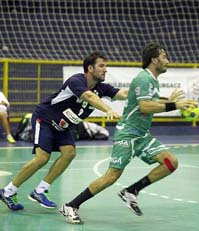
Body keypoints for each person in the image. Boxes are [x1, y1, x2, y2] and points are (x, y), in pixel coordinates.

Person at [59, 42, 197, 224]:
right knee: (111, 176)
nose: (168, 61)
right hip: (128, 134)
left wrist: (169, 100)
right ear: (154, 59)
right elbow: (145, 106)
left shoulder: (152, 80)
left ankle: (131, 191)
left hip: (142, 135)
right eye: (164, 57)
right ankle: (71, 205)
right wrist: (175, 105)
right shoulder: (144, 79)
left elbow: (150, 101)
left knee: (170, 162)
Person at [0, 51, 128, 211]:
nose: (105, 70)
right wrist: (108, 108)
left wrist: (138, 93)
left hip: (63, 126)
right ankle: (8, 190)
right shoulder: (76, 81)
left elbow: (122, 94)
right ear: (90, 68)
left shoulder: (101, 88)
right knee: (42, 158)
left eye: (106, 66)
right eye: (101, 66)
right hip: (45, 119)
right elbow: (88, 96)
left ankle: (40, 191)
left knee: (69, 153)